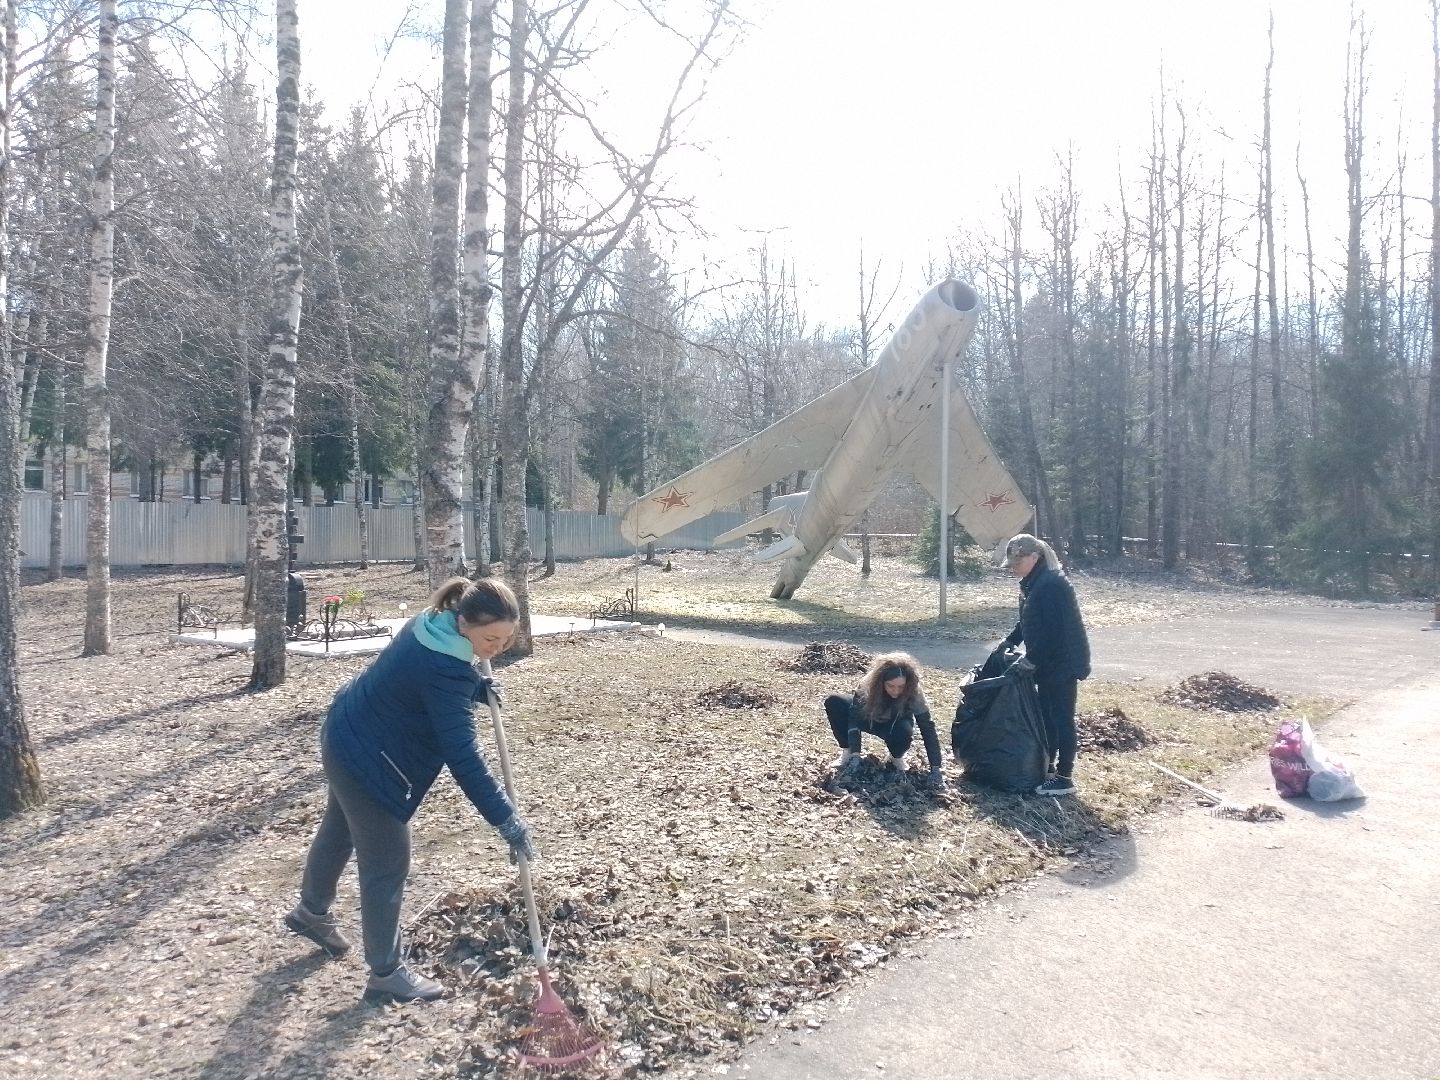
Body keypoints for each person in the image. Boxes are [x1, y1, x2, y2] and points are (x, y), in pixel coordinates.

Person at [285, 576, 536, 1002]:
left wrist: (476, 685)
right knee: (387, 864)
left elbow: (415, 682)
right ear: (464, 623)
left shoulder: (430, 623)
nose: (497, 648)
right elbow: (463, 757)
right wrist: (506, 819)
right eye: (490, 639)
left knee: (340, 828)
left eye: (506, 640)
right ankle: (386, 973)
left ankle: (312, 912)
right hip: (371, 761)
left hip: (346, 731)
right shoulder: (447, 670)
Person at [999, 533, 1091, 796]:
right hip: (1048, 662)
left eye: (1018, 563)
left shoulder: (1051, 584)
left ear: (1034, 557)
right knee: (1046, 715)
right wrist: (1010, 641)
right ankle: (1047, 767)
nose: (1014, 569)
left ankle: (1064, 778)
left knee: (1062, 718)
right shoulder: (1033, 582)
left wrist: (1030, 661)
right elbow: (1028, 621)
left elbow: (1051, 633)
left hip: (1064, 662)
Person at [824, 651, 944, 788]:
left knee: (904, 732)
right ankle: (848, 752)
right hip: (868, 717)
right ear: (881, 682)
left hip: (895, 725)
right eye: (891, 686)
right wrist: (855, 755)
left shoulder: (914, 691)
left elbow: (927, 728)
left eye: (901, 687)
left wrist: (936, 768)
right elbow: (854, 717)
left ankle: (895, 757)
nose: (896, 691)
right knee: (834, 701)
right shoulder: (868, 684)